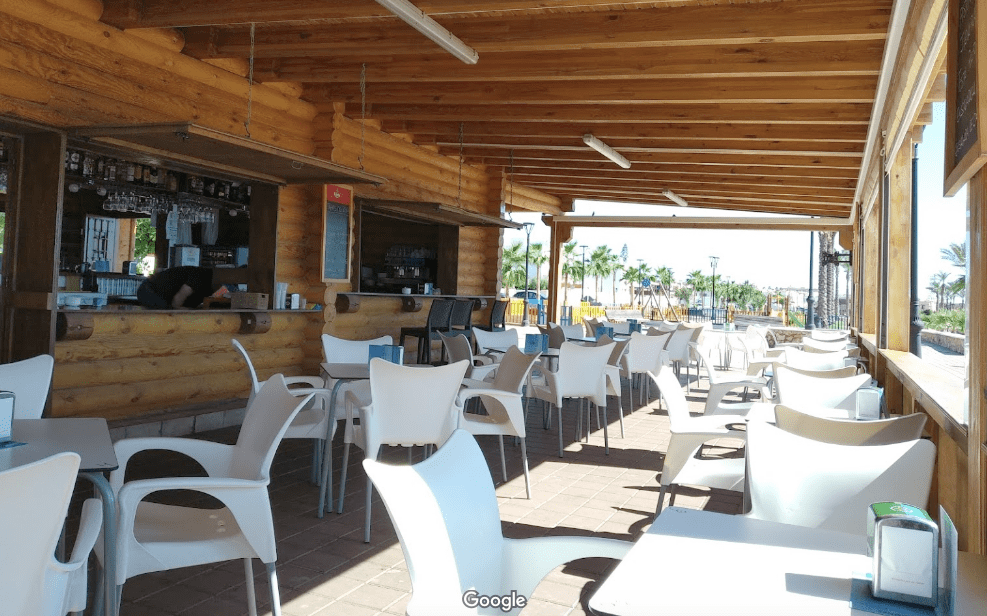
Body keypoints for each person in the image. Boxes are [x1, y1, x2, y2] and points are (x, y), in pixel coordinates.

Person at [137, 266, 218, 309]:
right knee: (169, 315)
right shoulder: (200, 277)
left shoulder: (215, 287)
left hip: (161, 295)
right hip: (149, 290)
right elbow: (177, 301)